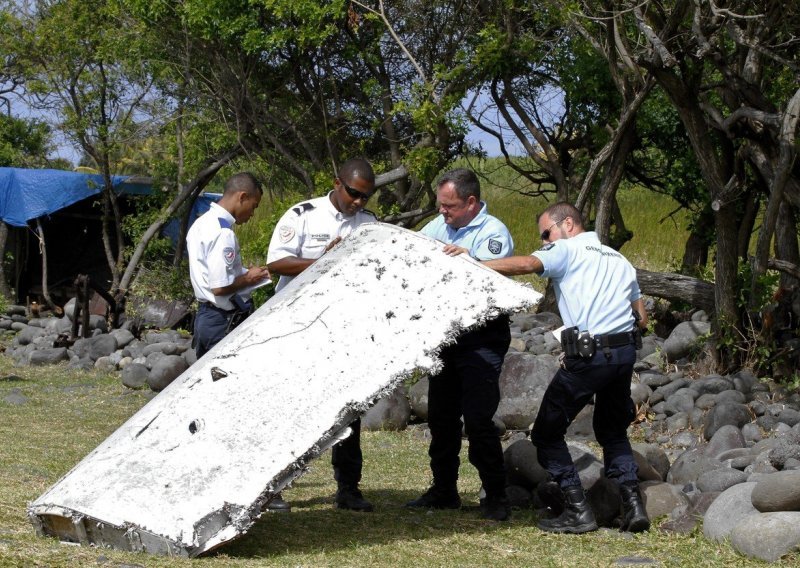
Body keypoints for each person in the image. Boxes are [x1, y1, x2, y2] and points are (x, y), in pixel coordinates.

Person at [479, 202, 650, 534]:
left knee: (545, 434)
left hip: (589, 357)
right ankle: (633, 506)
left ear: (567, 224)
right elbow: (641, 317)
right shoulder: (620, 259)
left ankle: (577, 508)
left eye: (546, 233)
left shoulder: (567, 249)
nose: (545, 242)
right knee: (613, 432)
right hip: (625, 353)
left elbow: (529, 263)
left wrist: (474, 263)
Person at [267, 157, 377, 512]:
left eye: (366, 197)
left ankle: (348, 487)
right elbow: (277, 263)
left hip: (344, 327)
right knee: (287, 407)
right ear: (336, 183)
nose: (359, 202)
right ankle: (272, 488)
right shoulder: (303, 215)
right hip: (298, 324)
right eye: (354, 193)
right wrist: (325, 262)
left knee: (348, 410)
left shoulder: (369, 224)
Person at [405, 168, 515, 521]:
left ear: (470, 202)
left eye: (449, 206)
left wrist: (469, 258)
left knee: (480, 419)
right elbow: (413, 252)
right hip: (447, 333)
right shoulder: (439, 226)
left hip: (481, 336)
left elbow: (493, 274)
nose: (442, 212)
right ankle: (444, 490)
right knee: (441, 417)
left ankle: (496, 495)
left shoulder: (493, 232)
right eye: (440, 205)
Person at [186, 172, 289, 512]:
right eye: (254, 206)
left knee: (212, 407)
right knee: (241, 408)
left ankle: (207, 481)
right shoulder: (222, 233)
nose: (252, 215)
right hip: (222, 321)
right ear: (242, 197)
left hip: (207, 320)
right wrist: (253, 277)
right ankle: (247, 489)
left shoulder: (200, 224)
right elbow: (220, 286)